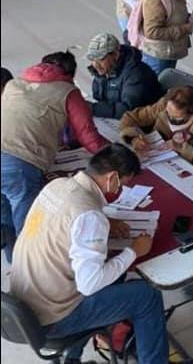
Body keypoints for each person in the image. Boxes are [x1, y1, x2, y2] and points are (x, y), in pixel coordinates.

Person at [9, 144, 169, 364]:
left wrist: (107, 222)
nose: (120, 190)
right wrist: (133, 251)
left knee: (115, 274)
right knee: (148, 296)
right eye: (122, 184)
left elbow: (63, 223)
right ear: (112, 178)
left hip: (24, 301)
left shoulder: (56, 185)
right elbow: (89, 284)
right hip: (52, 316)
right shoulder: (89, 216)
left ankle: (72, 359)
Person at [1, 51, 109, 255]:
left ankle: (11, 256)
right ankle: (25, 264)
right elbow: (88, 137)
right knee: (27, 219)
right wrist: (116, 155)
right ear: (70, 74)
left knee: (4, 210)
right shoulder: (68, 91)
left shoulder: (16, 84)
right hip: (19, 162)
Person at [120, 85, 193, 179]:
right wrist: (133, 138)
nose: (169, 117)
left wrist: (181, 148)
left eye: (176, 117)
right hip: (161, 159)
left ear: (191, 113)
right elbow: (130, 117)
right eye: (168, 112)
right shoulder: (165, 104)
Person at [132, 0, 193, 75]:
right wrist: (184, 29)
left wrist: (188, 18)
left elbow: (172, 14)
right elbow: (152, 31)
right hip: (159, 55)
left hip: (170, 51)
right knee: (157, 88)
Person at [86, 32, 163, 119]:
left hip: (144, 121)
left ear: (116, 55)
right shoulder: (103, 70)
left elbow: (127, 110)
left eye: (101, 59)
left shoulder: (136, 74)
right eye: (92, 59)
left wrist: (92, 108)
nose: (95, 64)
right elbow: (98, 98)